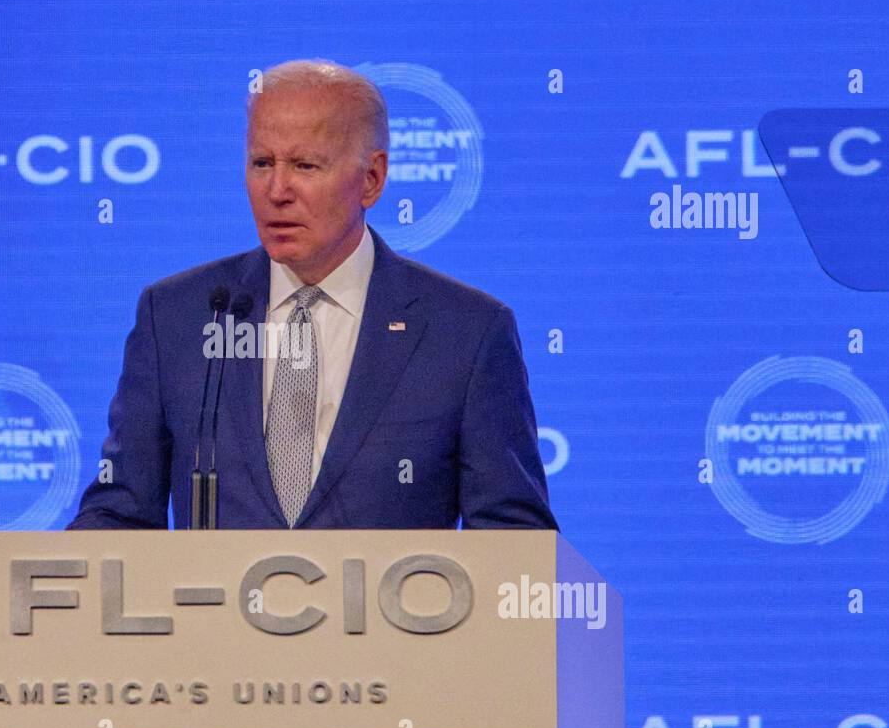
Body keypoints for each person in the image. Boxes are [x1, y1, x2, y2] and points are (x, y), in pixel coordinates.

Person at [66, 59, 558, 531]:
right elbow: (120, 514)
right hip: (214, 619)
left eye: (304, 166)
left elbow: (513, 540)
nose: (277, 189)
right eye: (261, 162)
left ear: (372, 179)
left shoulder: (465, 332)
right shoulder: (178, 316)